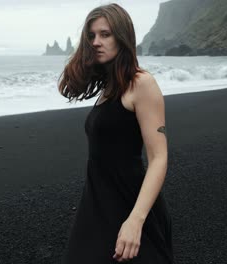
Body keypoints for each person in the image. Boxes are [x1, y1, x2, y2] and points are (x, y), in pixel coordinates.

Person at [58, 3, 174, 263]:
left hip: (130, 202)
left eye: (105, 34)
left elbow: (159, 158)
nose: (96, 42)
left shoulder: (141, 83)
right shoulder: (110, 87)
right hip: (97, 201)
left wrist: (135, 220)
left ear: (123, 37)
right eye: (91, 36)